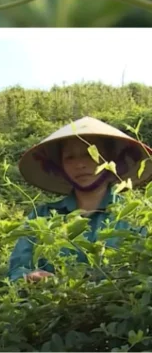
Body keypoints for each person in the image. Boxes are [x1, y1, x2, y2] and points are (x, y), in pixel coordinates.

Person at [9, 117, 151, 282]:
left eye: (90, 154)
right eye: (70, 157)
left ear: (110, 160)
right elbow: (18, 270)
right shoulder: (42, 216)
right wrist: (30, 278)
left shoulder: (135, 215)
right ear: (60, 165)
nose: (80, 164)